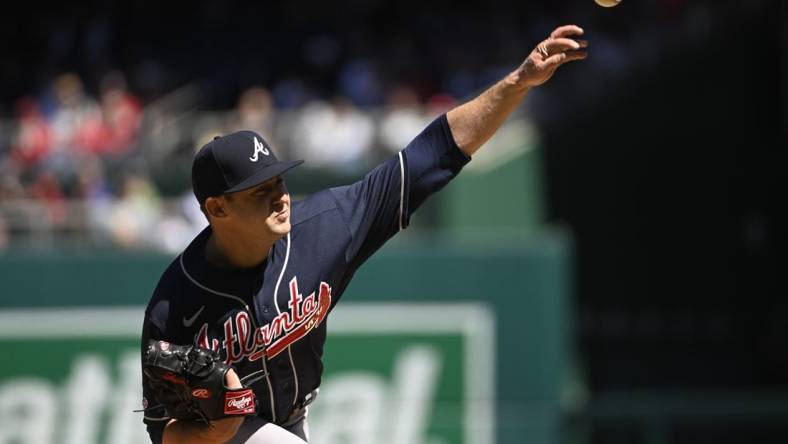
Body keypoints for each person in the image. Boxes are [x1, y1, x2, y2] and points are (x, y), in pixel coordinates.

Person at [140, 24, 587, 444]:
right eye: (260, 192)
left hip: (293, 419)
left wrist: (518, 83)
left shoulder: (326, 226)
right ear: (217, 208)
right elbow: (164, 433)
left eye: (280, 182)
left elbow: (431, 155)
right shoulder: (174, 306)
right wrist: (219, 430)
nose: (281, 198)